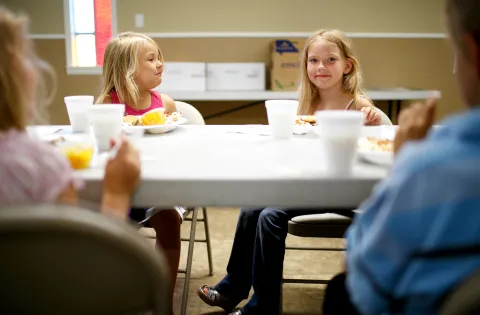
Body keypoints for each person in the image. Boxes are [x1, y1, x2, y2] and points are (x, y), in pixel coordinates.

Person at [197, 29, 385, 315]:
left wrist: (371, 121)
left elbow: (378, 145)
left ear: (347, 65)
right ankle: (233, 287)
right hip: (312, 183)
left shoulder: (358, 107)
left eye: (330, 60)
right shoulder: (307, 105)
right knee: (251, 209)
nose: (321, 67)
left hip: (346, 191)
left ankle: (263, 307)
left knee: (271, 214)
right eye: (313, 60)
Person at [322, 0, 480, 314]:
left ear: (471, 51)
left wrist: (403, 165)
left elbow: (363, 283)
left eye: (453, 54)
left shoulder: (429, 168)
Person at [0, 7, 140, 218]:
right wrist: (116, 194)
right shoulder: (39, 165)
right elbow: (77, 251)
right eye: (23, 57)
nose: (34, 69)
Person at [96, 32, 184, 312]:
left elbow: (178, 150)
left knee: (169, 220)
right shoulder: (107, 106)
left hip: (159, 184)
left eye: (159, 57)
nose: (160, 64)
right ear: (126, 69)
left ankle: (163, 304)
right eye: (151, 59)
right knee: (104, 228)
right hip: (123, 187)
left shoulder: (165, 104)